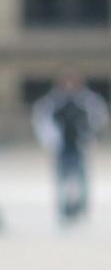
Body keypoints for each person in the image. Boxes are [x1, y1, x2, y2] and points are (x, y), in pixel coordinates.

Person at [32, 73, 108, 222]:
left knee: (81, 177)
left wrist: (90, 135)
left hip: (79, 144)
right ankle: (64, 209)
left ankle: (81, 207)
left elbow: (98, 117)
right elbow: (43, 120)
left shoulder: (87, 101)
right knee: (62, 177)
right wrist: (50, 139)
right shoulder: (53, 101)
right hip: (62, 145)